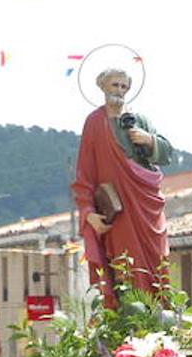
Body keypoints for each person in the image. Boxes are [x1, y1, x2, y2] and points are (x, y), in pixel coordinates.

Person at [72, 67, 174, 298]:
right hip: (118, 209)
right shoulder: (95, 123)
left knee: (156, 260)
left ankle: (157, 316)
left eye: (123, 86)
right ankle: (129, 317)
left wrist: (149, 140)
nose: (119, 90)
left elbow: (166, 154)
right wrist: (88, 213)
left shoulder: (141, 120)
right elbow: (85, 173)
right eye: (114, 85)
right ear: (103, 87)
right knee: (123, 263)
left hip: (145, 203)